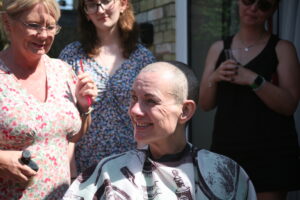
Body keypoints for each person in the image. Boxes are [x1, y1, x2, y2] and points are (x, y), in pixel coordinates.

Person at [63, 61, 257, 200]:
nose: (135, 111)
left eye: (151, 101)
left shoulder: (226, 174)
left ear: (185, 110)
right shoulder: (106, 174)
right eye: (133, 98)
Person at [199, 0, 300, 199]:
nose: (253, 8)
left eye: (263, 4)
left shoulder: (282, 48)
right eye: (247, 0)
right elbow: (205, 104)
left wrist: (253, 79)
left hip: (271, 150)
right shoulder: (218, 48)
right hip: (227, 147)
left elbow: (289, 105)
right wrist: (215, 77)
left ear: (273, 10)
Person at [0, 0, 98, 199]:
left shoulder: (62, 71)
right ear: (7, 22)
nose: (44, 35)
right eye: (34, 25)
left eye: (50, 26)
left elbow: (72, 135)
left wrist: (84, 106)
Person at [59, 0, 156, 176]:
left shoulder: (143, 58)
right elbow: (63, 118)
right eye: (92, 4)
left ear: (123, 4)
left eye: (105, 1)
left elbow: (151, 115)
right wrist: (70, 172)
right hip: (85, 164)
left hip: (132, 164)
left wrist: (145, 163)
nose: (100, 9)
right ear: (86, 12)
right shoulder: (72, 56)